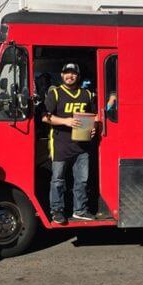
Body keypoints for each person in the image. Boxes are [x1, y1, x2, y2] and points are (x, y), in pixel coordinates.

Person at [42, 63, 97, 224]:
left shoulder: (86, 94)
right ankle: (57, 211)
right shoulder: (55, 94)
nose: (70, 76)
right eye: (67, 73)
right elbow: (45, 117)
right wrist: (66, 121)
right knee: (58, 180)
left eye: (73, 73)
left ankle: (80, 210)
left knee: (81, 180)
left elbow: (94, 115)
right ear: (62, 75)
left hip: (82, 146)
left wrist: (94, 128)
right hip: (60, 145)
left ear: (78, 76)